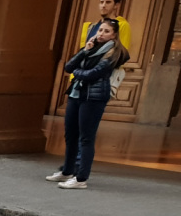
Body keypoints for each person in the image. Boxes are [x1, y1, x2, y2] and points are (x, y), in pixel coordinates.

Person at [47, 18, 128, 190]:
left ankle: (81, 178)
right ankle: (67, 171)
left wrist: (78, 72)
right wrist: (85, 51)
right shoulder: (91, 48)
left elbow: (95, 73)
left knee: (86, 137)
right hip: (76, 94)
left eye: (106, 31)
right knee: (71, 134)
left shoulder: (114, 52)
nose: (101, 34)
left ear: (114, 35)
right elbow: (69, 66)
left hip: (94, 97)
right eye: (100, 30)